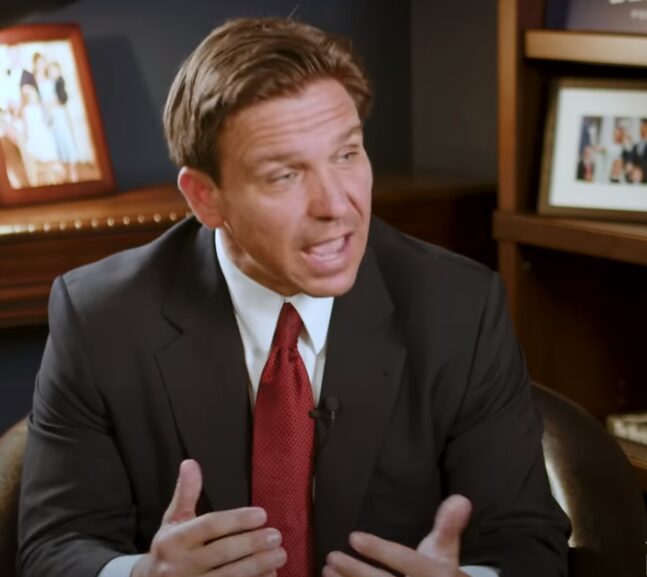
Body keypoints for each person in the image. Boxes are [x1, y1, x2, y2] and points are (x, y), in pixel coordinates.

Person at [17, 17, 570, 577]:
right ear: (205, 197)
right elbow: (53, 548)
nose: (336, 205)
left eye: (347, 155)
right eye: (285, 175)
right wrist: (144, 575)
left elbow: (527, 543)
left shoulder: (459, 307)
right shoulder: (102, 317)